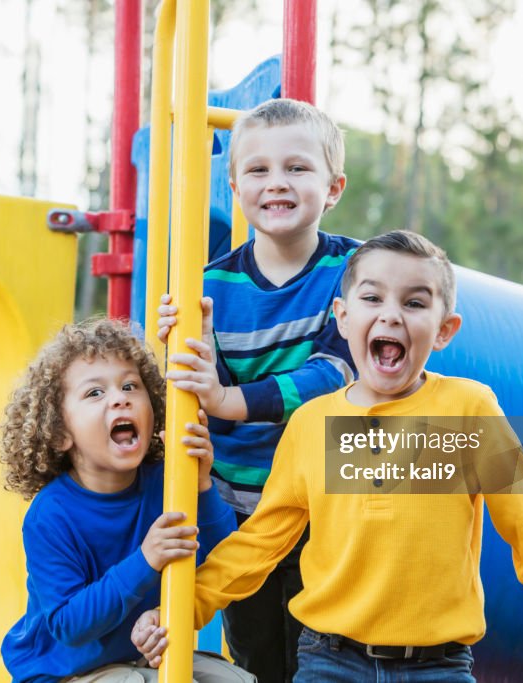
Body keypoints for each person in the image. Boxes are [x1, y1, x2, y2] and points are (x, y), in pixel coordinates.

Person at [138, 231, 523, 683]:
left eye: (415, 303)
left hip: (438, 665)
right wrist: (186, 605)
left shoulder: (468, 411)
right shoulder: (312, 425)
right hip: (330, 659)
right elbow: (260, 542)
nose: (391, 316)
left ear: (445, 330)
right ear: (342, 317)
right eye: (372, 298)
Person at [156, 98, 358, 682]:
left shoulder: (355, 271)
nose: (277, 183)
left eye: (297, 168)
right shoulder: (209, 285)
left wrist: (230, 400)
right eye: (259, 171)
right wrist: (181, 342)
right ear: (235, 186)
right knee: (258, 650)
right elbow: (197, 389)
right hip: (243, 509)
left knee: (328, 649)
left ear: (333, 186)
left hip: (328, 501)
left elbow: (335, 375)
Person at [0, 318, 252, 682]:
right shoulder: (51, 514)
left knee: (235, 680)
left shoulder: (165, 481)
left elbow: (220, 556)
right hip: (63, 670)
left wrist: (202, 488)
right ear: (59, 434)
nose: (120, 397)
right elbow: (69, 625)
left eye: (130, 386)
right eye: (94, 393)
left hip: (139, 655)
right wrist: (145, 560)